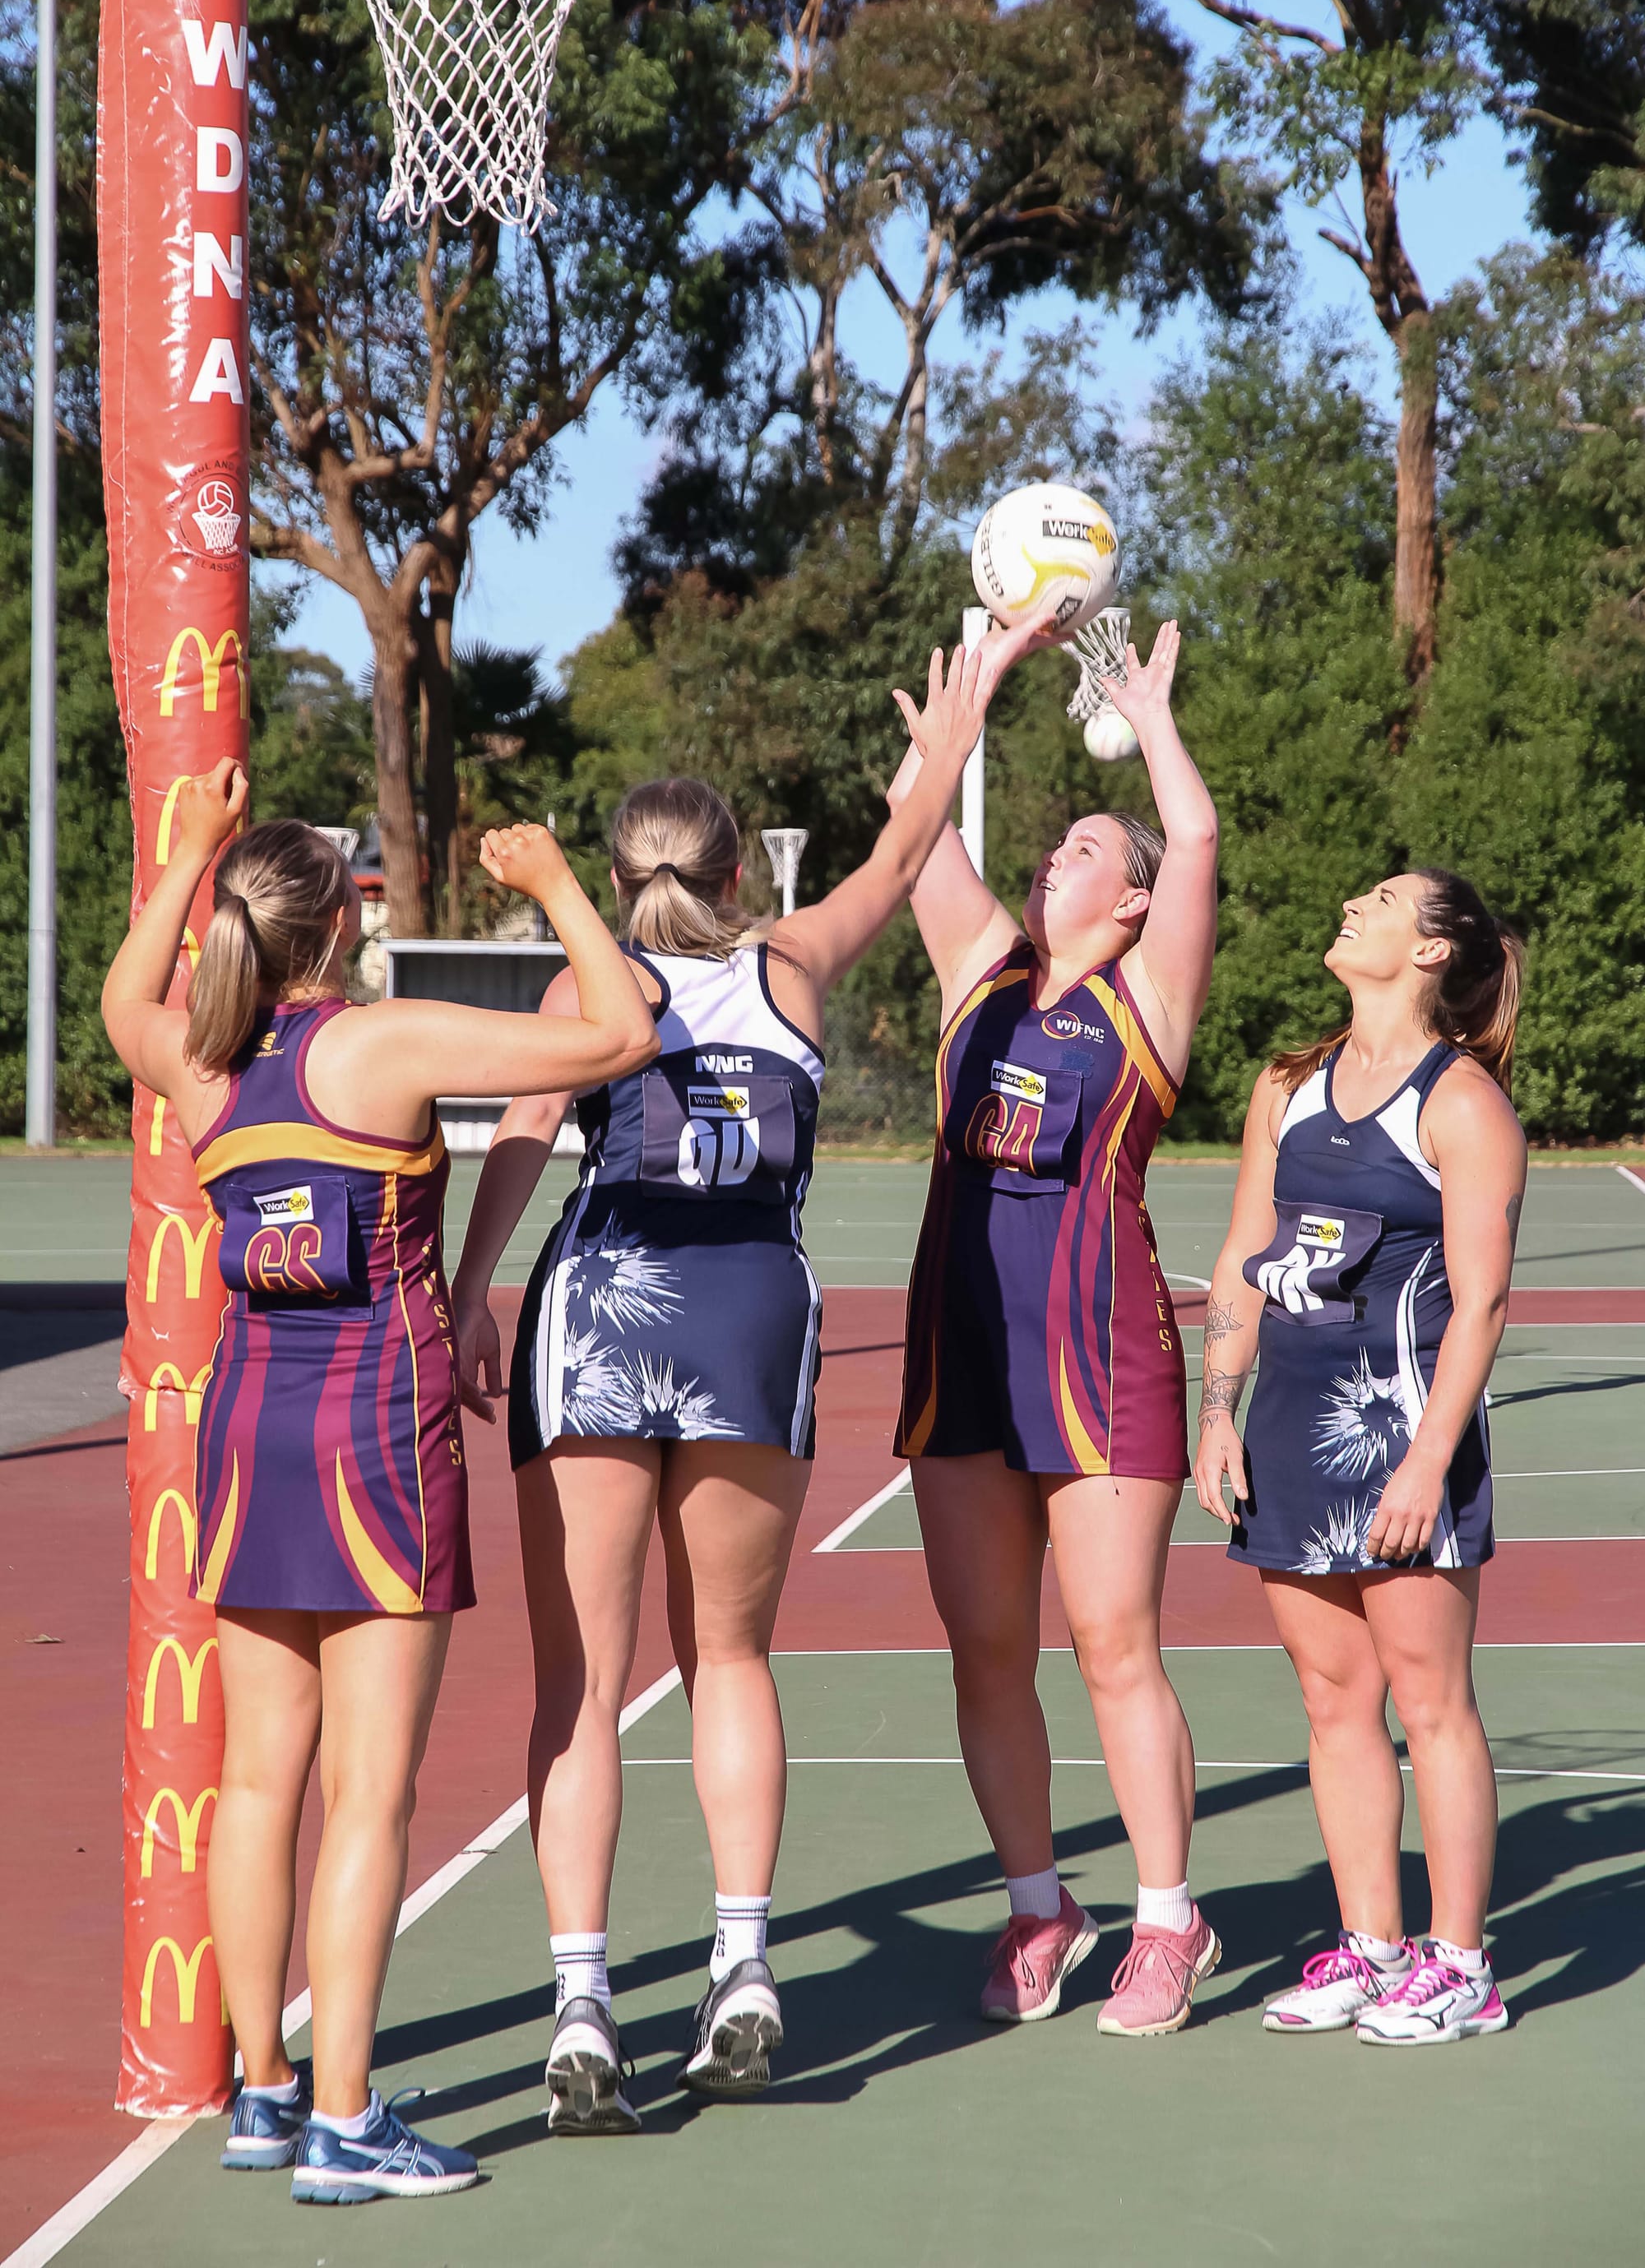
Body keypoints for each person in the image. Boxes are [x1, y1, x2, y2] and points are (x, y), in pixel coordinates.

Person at [452, 644, 993, 2128]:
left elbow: (517, 1136)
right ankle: (745, 1967)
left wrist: (470, 1289)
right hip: (753, 1307)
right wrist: (953, 730)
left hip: (606, 1305)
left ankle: (579, 2005)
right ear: (742, 863)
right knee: (731, 1661)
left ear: (622, 870)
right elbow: (898, 856)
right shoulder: (791, 966)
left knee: (580, 1685)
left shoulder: (593, 978)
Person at [101, 766, 657, 2203]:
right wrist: (552, 891)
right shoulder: (380, 1043)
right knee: (368, 1794)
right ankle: (346, 2124)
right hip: (374, 1439)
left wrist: (188, 854)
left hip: (243, 1437)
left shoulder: (197, 1062)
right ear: (340, 927)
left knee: (254, 1780)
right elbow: (619, 1030)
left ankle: (266, 2097)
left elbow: (119, 1002)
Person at [889, 617, 1222, 2036]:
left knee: (1112, 1641)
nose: (1056, 858)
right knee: (984, 1647)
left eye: (1090, 848)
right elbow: (908, 851)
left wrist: (1145, 718)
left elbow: (1195, 838)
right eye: (1057, 846)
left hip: (1102, 1359)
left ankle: (1168, 1918)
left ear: (1134, 901)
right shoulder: (985, 973)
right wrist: (957, 732)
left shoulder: (1145, 1001)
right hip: (963, 1357)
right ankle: (1043, 1904)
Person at [1195, 870, 1525, 2044]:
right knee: (1334, 1701)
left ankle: (1462, 1965)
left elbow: (1482, 1305)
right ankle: (1371, 1947)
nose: (1351, 905)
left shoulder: (1465, 1103)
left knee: (1432, 1701)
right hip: (1289, 1422)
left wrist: (1429, 1462)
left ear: (1434, 950)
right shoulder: (1286, 1084)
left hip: (1403, 1432)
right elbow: (1243, 1251)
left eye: (1383, 899)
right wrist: (1218, 1409)